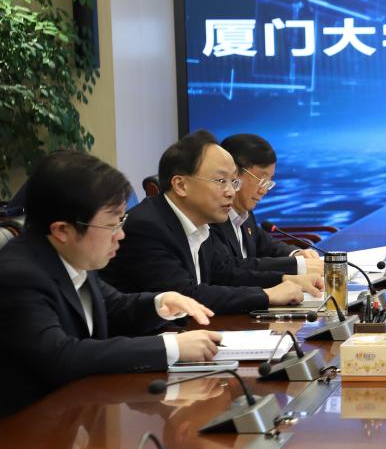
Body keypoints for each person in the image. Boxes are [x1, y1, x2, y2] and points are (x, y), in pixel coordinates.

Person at [0, 151, 221, 417]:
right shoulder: (19, 275)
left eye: (121, 221)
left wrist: (161, 303)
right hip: (28, 428)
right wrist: (169, 348)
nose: (121, 235)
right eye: (111, 225)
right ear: (62, 230)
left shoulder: (72, 256)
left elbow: (113, 307)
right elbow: (60, 357)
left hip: (80, 411)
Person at [102, 130, 316, 314]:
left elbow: (225, 273)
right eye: (221, 181)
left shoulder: (200, 224)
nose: (231, 192)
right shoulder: (147, 226)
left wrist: (286, 280)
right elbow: (184, 295)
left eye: (233, 182)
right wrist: (266, 295)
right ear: (181, 185)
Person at [211, 133, 321, 274]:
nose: (263, 190)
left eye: (268, 182)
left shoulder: (245, 215)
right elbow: (230, 268)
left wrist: (296, 254)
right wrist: (296, 266)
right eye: (261, 180)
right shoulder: (211, 218)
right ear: (234, 174)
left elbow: (267, 245)